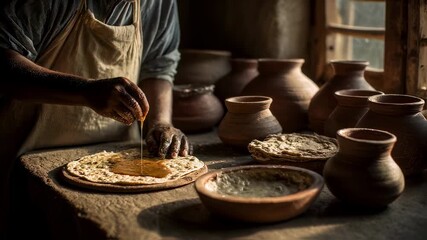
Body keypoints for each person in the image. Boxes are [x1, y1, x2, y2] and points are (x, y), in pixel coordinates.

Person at [0, 0, 191, 236]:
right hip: (29, 151)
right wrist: (84, 91)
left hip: (117, 153)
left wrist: (161, 122)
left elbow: (159, 66)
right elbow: (4, 64)